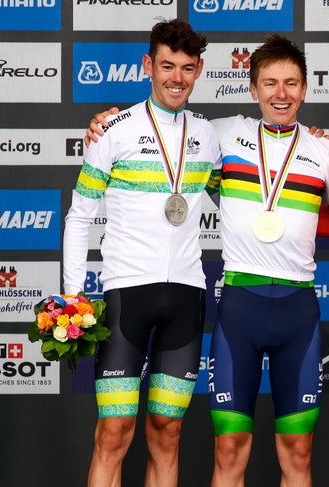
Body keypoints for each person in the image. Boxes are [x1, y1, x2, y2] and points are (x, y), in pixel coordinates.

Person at [84, 35, 329, 487]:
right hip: (238, 306)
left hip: (299, 308)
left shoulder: (327, 151)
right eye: (269, 83)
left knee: (299, 452)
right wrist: (104, 122)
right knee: (228, 449)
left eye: (290, 83)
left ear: (306, 89)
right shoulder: (218, 133)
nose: (280, 93)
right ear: (252, 88)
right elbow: (164, 127)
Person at [64, 18, 221, 486]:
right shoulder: (113, 130)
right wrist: (73, 297)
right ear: (148, 65)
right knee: (114, 433)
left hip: (186, 298)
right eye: (167, 66)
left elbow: (242, 186)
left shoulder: (210, 136)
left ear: (199, 70)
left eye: (187, 68)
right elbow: (79, 216)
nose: (177, 78)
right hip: (124, 299)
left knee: (167, 431)